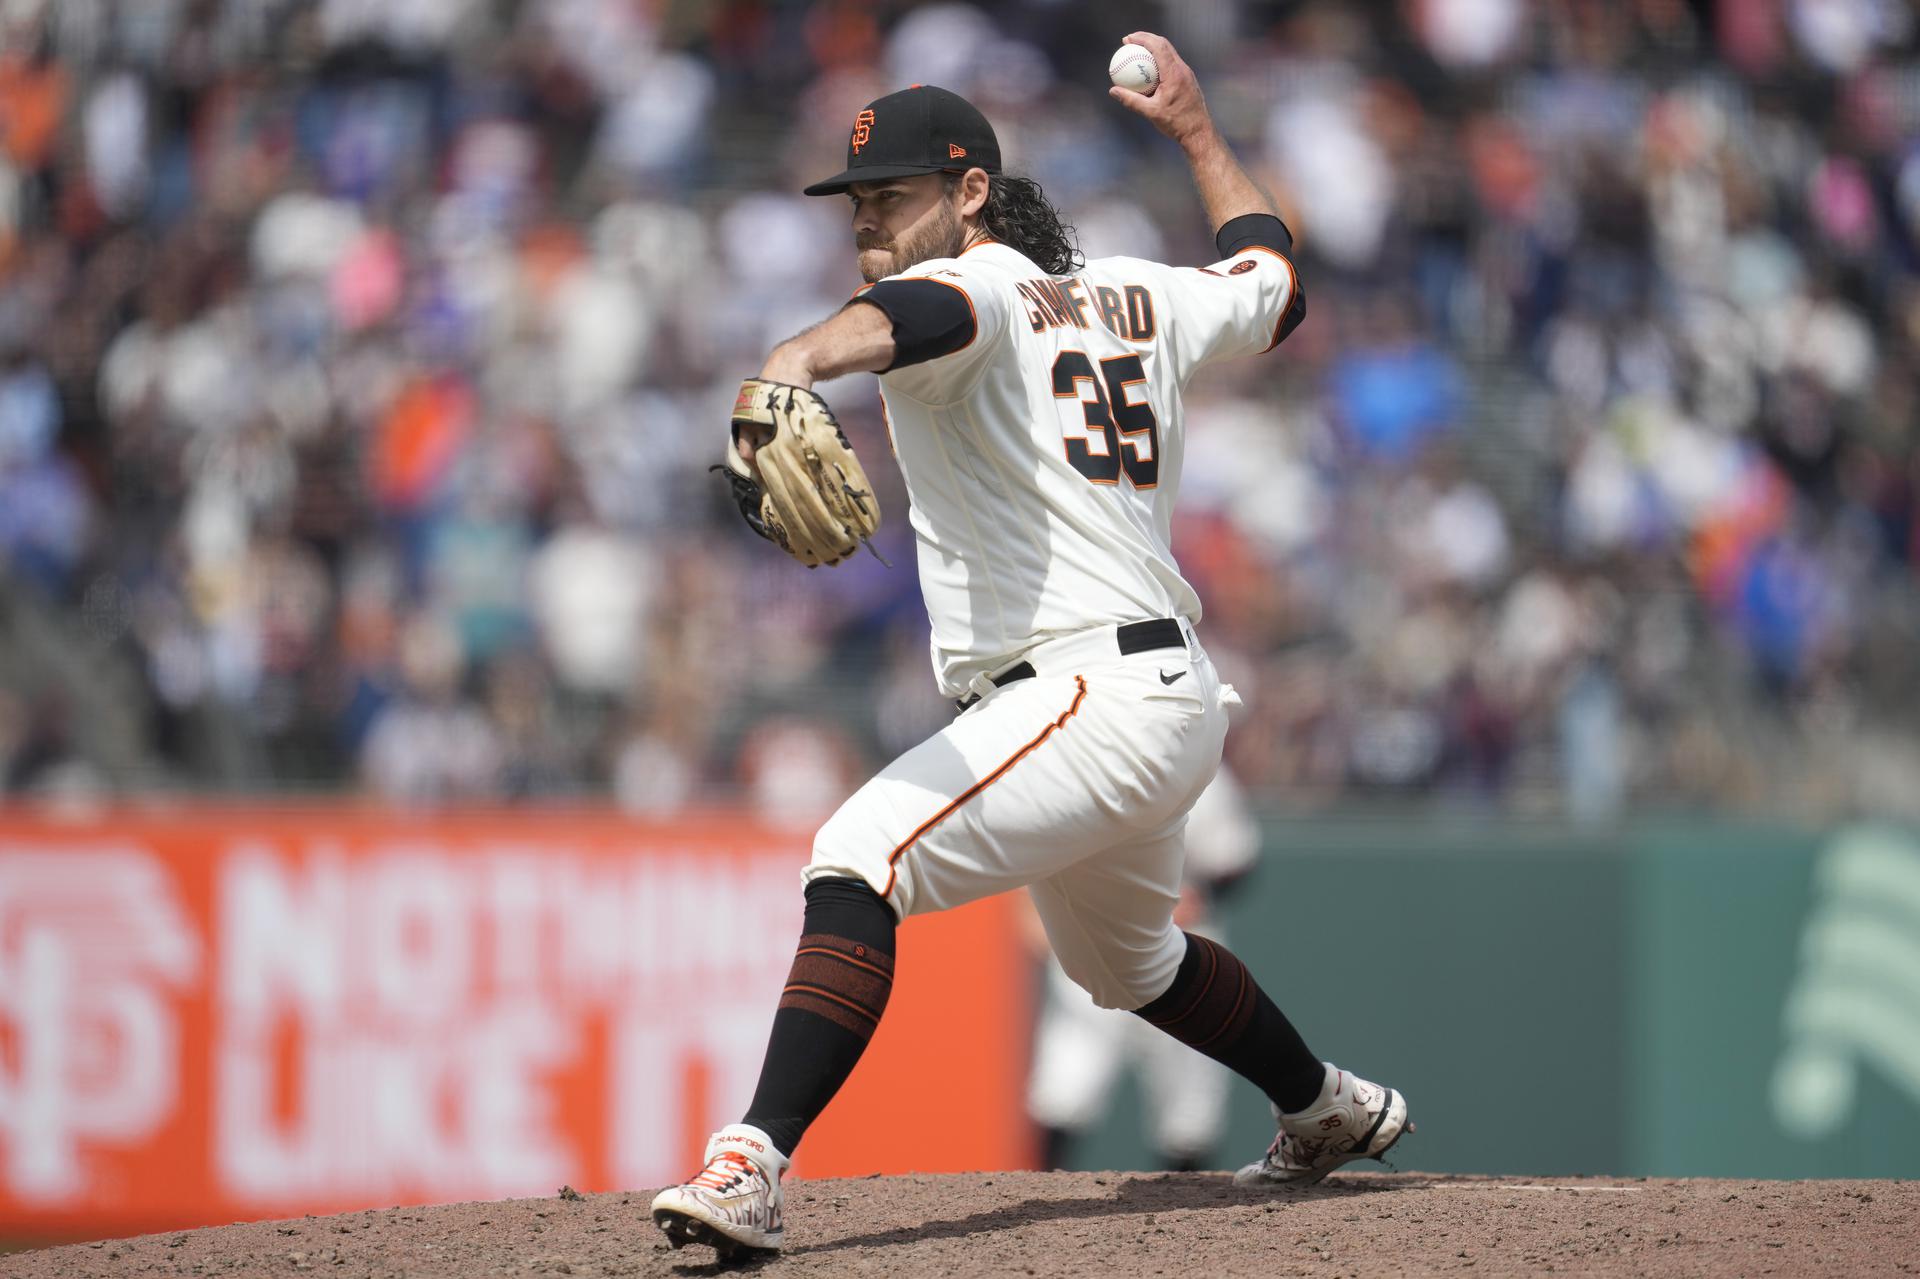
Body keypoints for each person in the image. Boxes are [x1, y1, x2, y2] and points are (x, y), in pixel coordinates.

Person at [651, 32, 1410, 1259]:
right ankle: (1321, 1102)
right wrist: (1204, 138)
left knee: (857, 853)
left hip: (1086, 689)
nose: (867, 223)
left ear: (969, 195)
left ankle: (749, 1164)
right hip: (1159, 696)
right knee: (1127, 963)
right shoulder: (1145, 292)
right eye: (854, 204)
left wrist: (791, 361)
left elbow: (913, 310)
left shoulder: (984, 286)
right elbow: (1273, 277)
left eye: (891, 197)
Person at [1025, 764, 1259, 1174]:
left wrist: (1199, 894)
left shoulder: (1202, 773)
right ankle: (1040, 1215)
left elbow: (1235, 858)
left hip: (1179, 947)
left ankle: (1187, 1223)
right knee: (1065, 1087)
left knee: (1189, 1111)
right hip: (1093, 940)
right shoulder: (1074, 764)